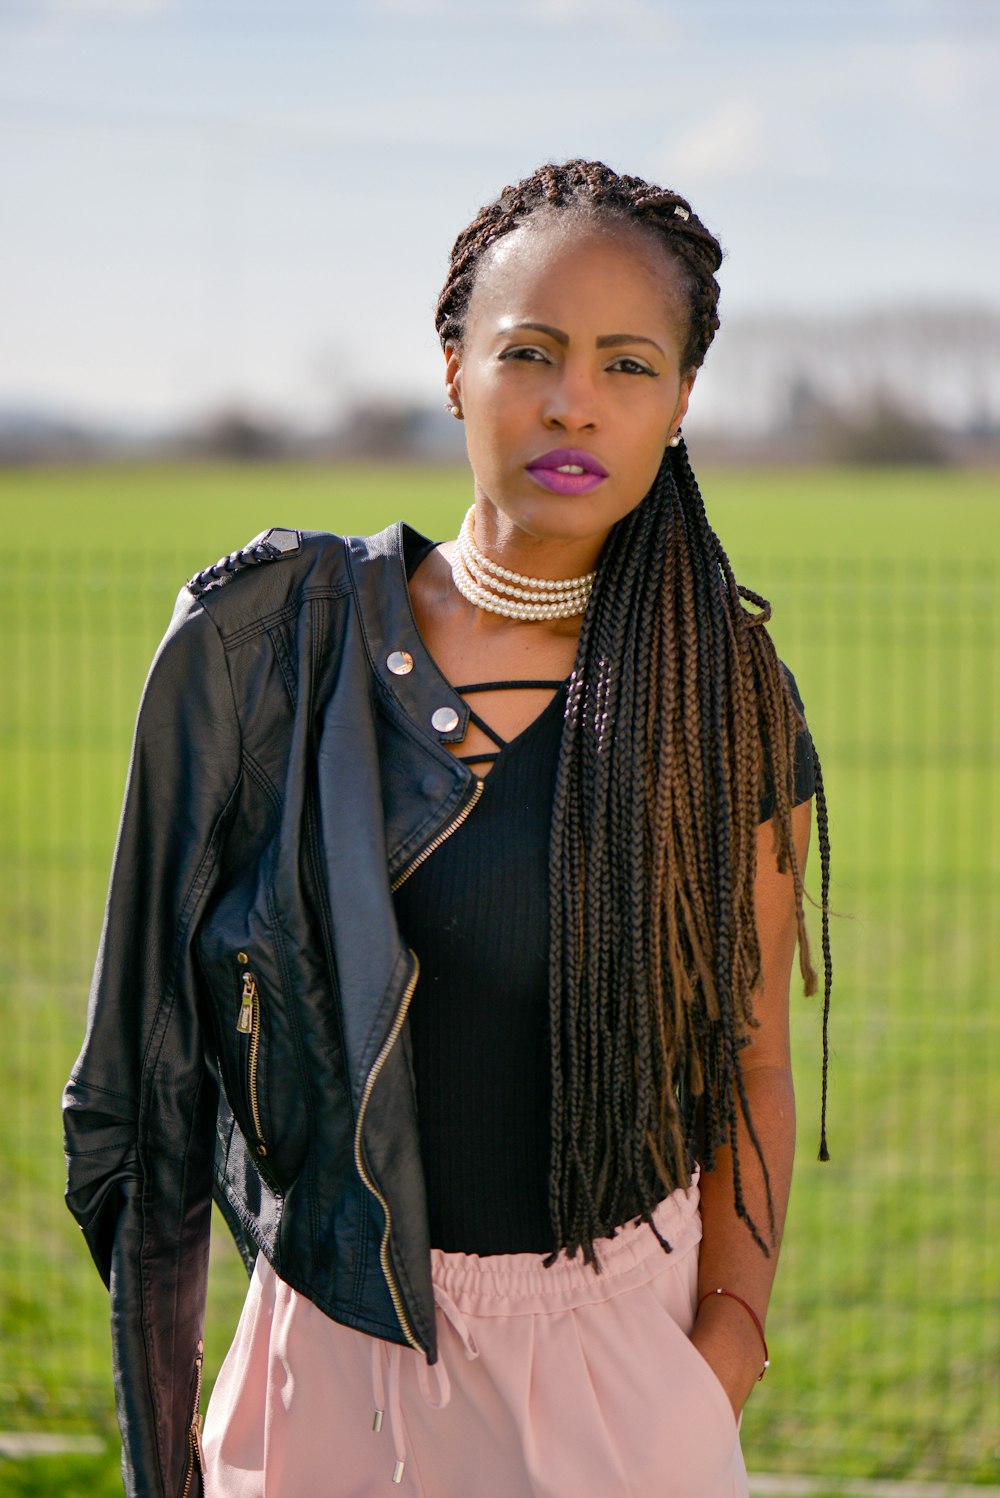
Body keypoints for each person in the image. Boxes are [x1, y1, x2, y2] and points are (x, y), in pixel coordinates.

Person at [63, 158, 832, 1498]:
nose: (572, 398)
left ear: (683, 400)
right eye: (528, 349)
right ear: (453, 363)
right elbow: (145, 1088)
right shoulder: (274, 654)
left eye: (627, 363)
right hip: (325, 1371)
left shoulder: (721, 699)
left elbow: (753, 1065)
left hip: (604, 1377)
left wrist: (722, 1353)